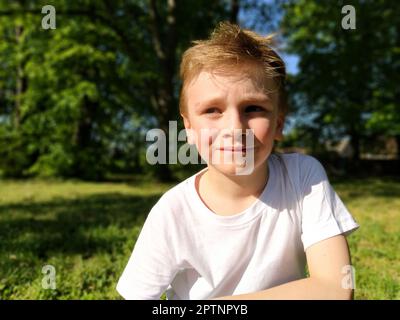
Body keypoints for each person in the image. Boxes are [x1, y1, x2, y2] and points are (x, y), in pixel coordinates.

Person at [116, 22, 360, 300]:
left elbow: (334, 289)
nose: (235, 128)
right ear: (190, 130)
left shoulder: (303, 178)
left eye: (253, 108)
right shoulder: (172, 212)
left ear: (278, 123)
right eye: (212, 110)